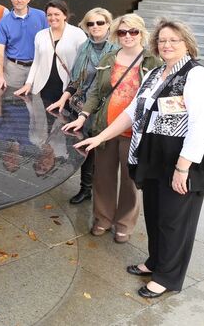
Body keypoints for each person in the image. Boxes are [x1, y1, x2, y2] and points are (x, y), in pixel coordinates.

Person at [75, 19, 204, 298]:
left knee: (174, 221)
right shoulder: (155, 74)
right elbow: (132, 111)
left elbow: (201, 128)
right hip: (154, 155)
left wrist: (182, 169)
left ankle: (167, 276)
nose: (166, 45)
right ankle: (155, 262)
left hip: (183, 160)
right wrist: (101, 137)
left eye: (173, 40)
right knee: (155, 215)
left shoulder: (198, 76)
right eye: (162, 40)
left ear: (187, 43)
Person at [64, 14, 161, 244]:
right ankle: (103, 219)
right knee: (103, 177)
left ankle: (124, 224)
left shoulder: (152, 61)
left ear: (141, 32)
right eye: (122, 32)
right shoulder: (110, 57)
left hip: (133, 133)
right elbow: (97, 91)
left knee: (130, 181)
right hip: (104, 128)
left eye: (133, 31)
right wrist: (83, 115)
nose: (127, 36)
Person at [46, 7, 118, 204]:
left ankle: (104, 196)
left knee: (102, 153)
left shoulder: (117, 50)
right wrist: (63, 98)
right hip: (80, 106)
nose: (95, 27)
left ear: (108, 24)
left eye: (100, 23)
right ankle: (86, 189)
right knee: (84, 149)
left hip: (105, 109)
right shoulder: (84, 47)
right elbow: (76, 79)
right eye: (91, 23)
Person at [14, 0, 86, 103]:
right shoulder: (40, 35)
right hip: (44, 87)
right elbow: (36, 62)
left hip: (68, 87)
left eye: (57, 14)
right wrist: (29, 83)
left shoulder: (77, 34)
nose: (53, 18)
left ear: (65, 15)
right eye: (49, 15)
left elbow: (84, 63)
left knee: (66, 117)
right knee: (44, 116)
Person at [0, 0, 48, 90]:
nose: (19, 0)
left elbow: (49, 41)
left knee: (37, 101)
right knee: (10, 100)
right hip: (14, 68)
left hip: (37, 66)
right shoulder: (3, 22)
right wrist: (0, 76)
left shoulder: (41, 16)